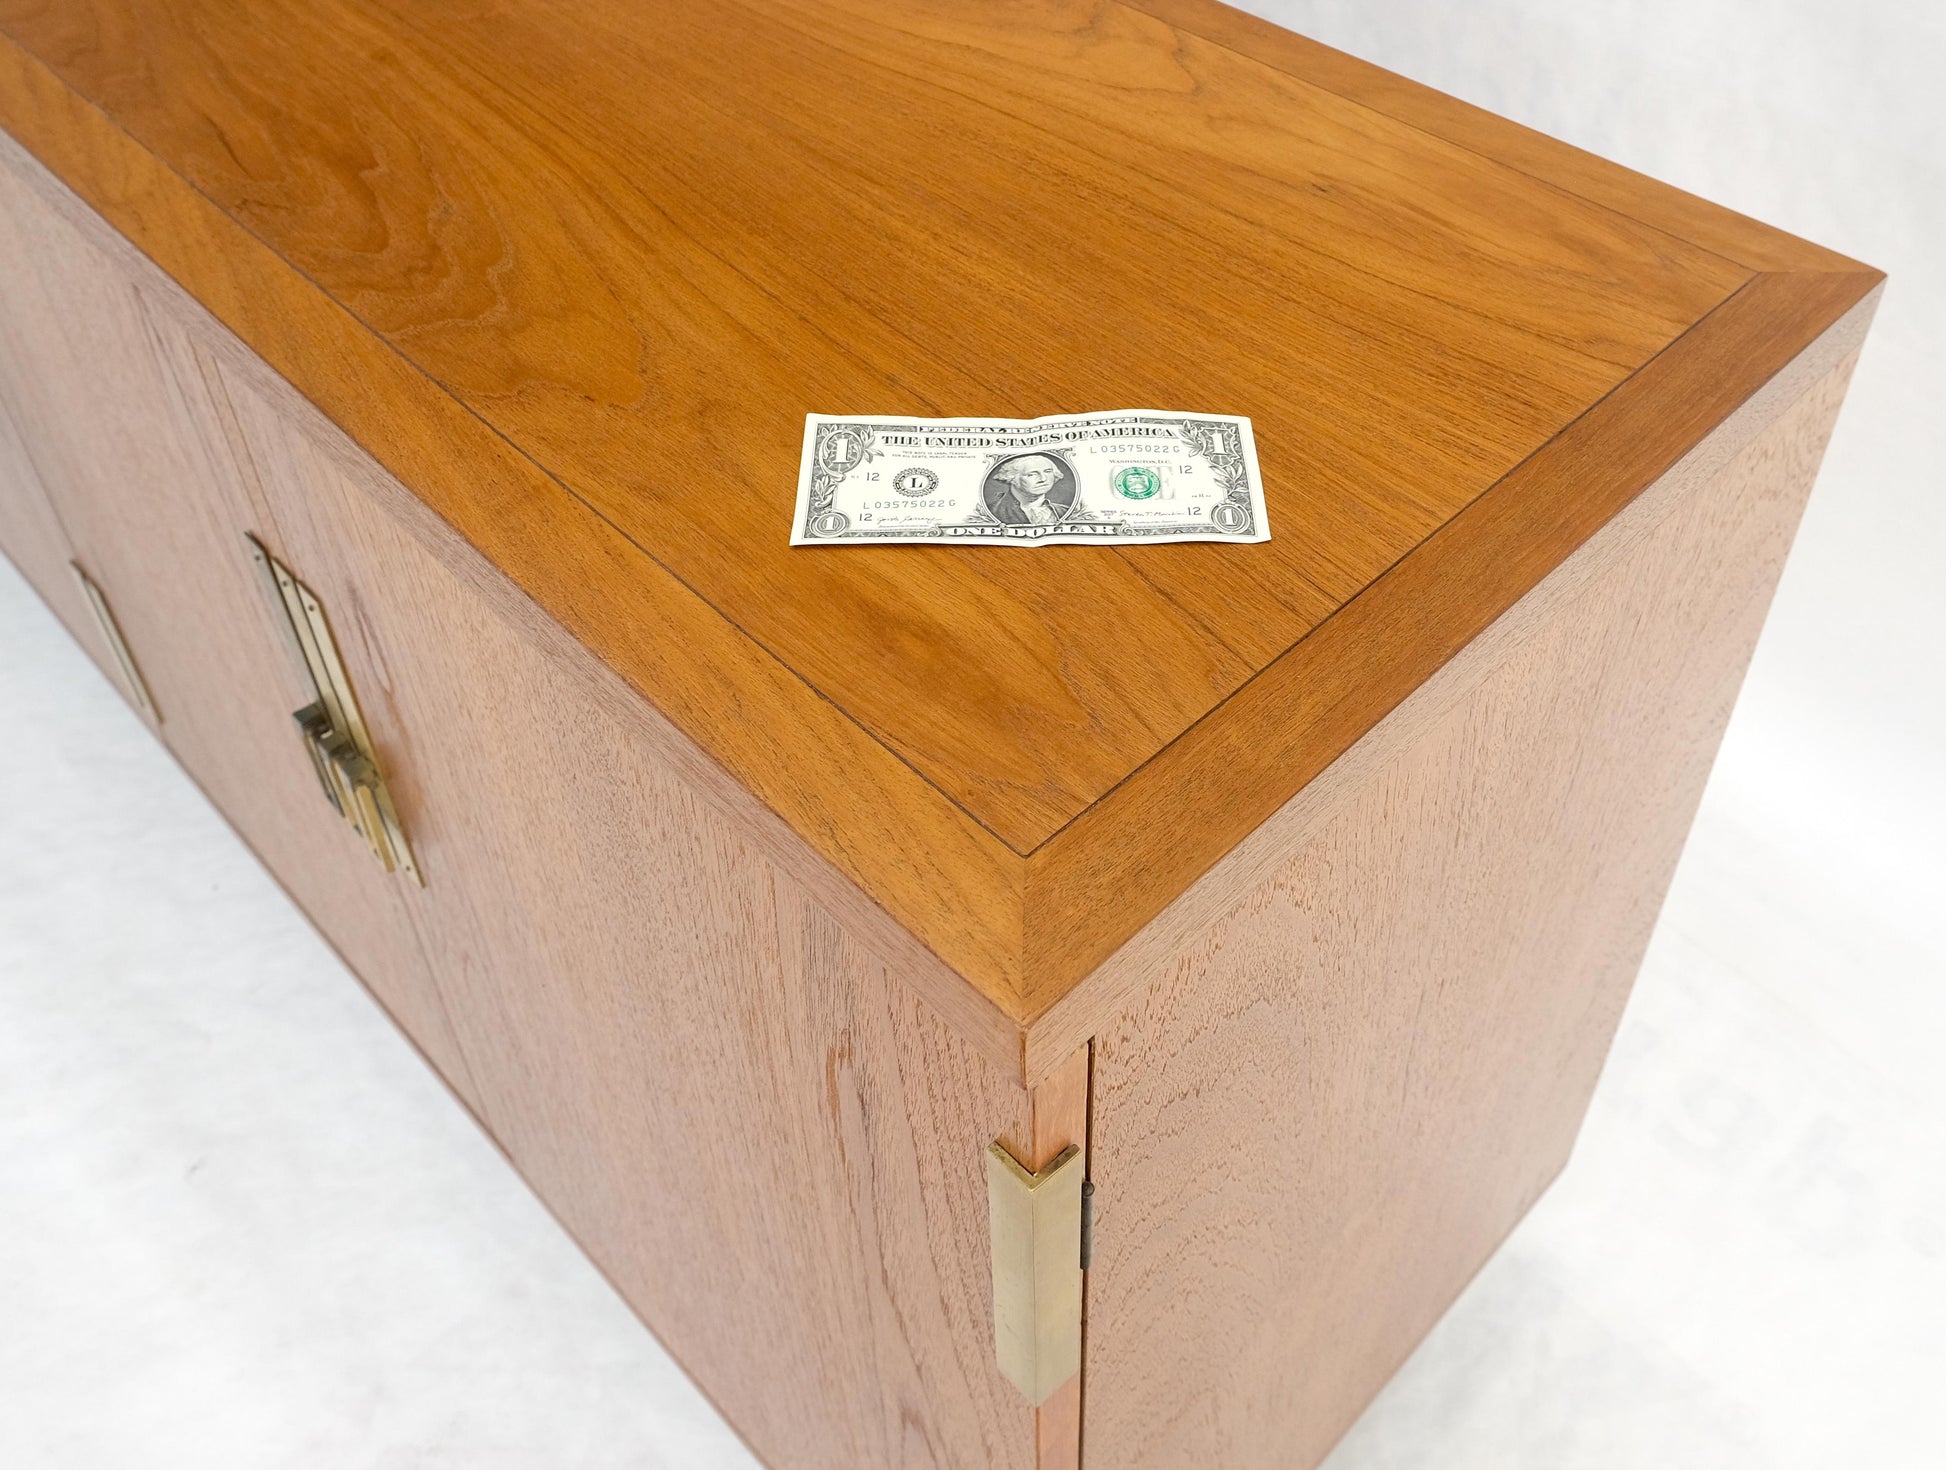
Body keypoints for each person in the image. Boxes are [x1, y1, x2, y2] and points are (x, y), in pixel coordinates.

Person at [985, 454, 1073, 526]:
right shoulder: (991, 512)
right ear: (1012, 478)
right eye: (1031, 474)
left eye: (1047, 471)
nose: (1043, 479)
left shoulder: (1065, 511)